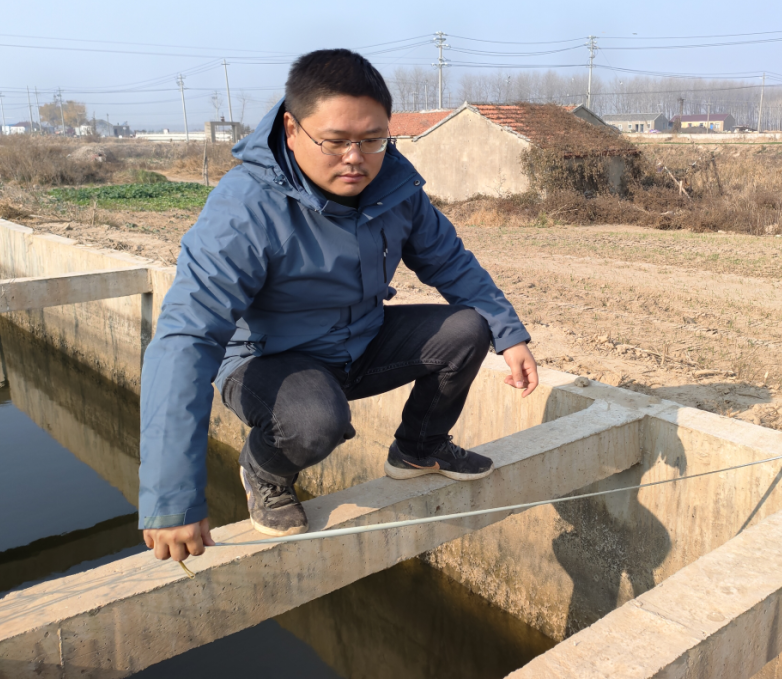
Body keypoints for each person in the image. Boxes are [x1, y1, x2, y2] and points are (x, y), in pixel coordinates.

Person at [140, 49, 538, 563]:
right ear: (292, 129)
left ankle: (418, 448)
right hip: (269, 359)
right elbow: (187, 337)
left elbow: (450, 261)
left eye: (373, 140)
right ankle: (264, 469)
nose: (356, 158)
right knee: (314, 421)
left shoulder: (394, 186)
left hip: (361, 341)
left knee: (468, 328)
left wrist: (510, 333)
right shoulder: (245, 208)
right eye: (335, 141)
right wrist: (171, 497)